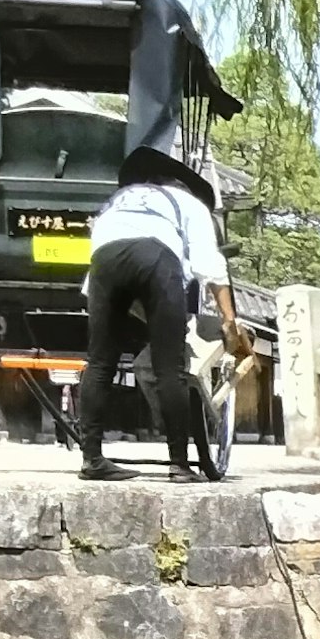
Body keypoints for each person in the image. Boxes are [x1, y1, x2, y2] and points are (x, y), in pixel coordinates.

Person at [75, 145, 236, 481]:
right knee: (169, 367)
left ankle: (92, 459)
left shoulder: (117, 202)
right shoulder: (189, 203)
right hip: (157, 259)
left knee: (100, 363)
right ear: (181, 184)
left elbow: (101, 266)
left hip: (104, 263)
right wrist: (228, 319)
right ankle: (179, 464)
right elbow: (211, 265)